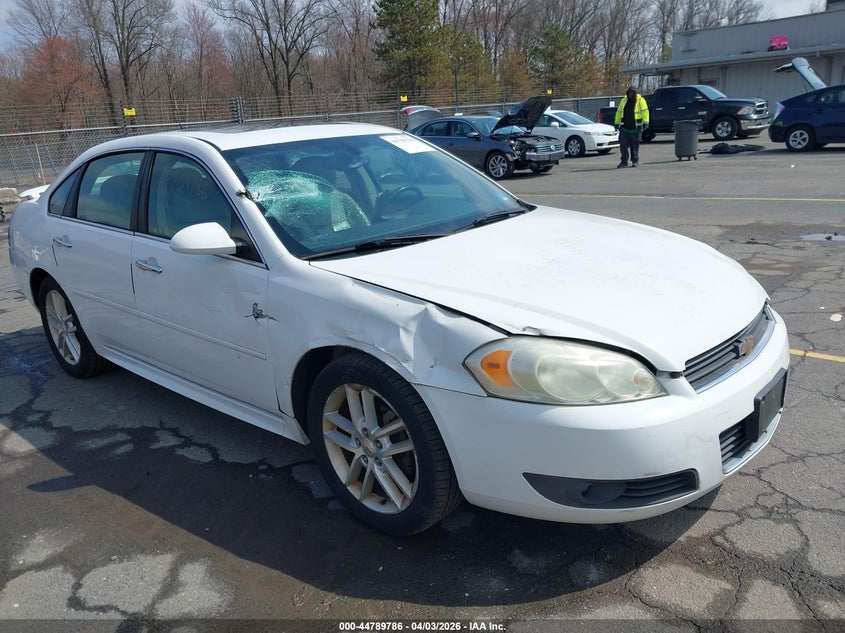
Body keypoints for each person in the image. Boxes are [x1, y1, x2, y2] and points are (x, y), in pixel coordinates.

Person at [614, 86, 650, 168]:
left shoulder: (641, 100)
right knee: (623, 146)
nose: (630, 94)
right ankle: (624, 162)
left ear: (635, 93)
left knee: (634, 146)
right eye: (629, 92)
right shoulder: (623, 101)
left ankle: (635, 161)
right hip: (624, 128)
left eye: (632, 92)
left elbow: (645, 112)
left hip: (636, 128)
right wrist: (616, 123)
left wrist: (646, 122)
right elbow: (619, 112)